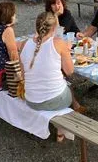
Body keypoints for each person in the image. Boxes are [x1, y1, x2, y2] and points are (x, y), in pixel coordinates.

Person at [22, 12, 83, 140]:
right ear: (55, 28)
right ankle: (61, 130)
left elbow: (23, 74)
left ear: (36, 27)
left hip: (31, 99)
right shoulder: (58, 43)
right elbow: (70, 71)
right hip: (54, 100)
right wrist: (65, 51)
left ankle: (60, 130)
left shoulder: (25, 44)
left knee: (62, 85)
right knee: (69, 88)